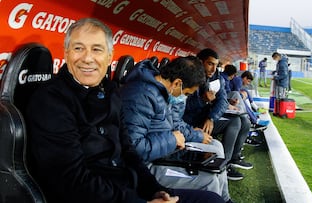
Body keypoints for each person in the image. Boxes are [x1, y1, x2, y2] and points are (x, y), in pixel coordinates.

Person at [25, 18, 224, 203]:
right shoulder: (50, 100)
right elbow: (71, 179)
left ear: (109, 56)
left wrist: (155, 190)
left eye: (97, 49)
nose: (87, 58)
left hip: (130, 186)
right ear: (66, 53)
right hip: (102, 197)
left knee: (211, 200)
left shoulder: (110, 91)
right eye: (78, 48)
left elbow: (129, 151)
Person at [113, 56, 233, 203]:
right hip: (146, 167)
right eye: (187, 93)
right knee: (209, 181)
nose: (184, 97)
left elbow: (173, 125)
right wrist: (172, 139)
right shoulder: (141, 95)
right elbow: (133, 148)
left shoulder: (161, 91)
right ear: (177, 83)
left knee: (215, 160)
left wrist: (188, 135)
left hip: (165, 154)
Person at [183, 48, 253, 181]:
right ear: (200, 62)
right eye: (210, 64)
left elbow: (222, 101)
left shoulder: (217, 78)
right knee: (236, 121)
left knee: (241, 121)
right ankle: (223, 165)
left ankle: (231, 160)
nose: (213, 68)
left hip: (206, 120)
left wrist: (211, 118)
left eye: (216, 65)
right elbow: (182, 107)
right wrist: (202, 100)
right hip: (190, 123)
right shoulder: (189, 77)